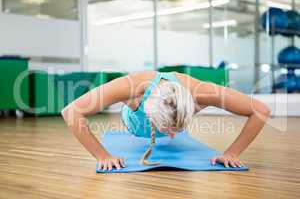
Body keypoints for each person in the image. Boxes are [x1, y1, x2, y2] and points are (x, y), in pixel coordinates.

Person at [61, 71, 270, 171]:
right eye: (166, 128)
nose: (172, 135)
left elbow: (260, 110)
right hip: (133, 123)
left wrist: (232, 153)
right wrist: (102, 156)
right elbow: (71, 112)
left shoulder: (203, 93)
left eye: (177, 129)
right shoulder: (130, 88)